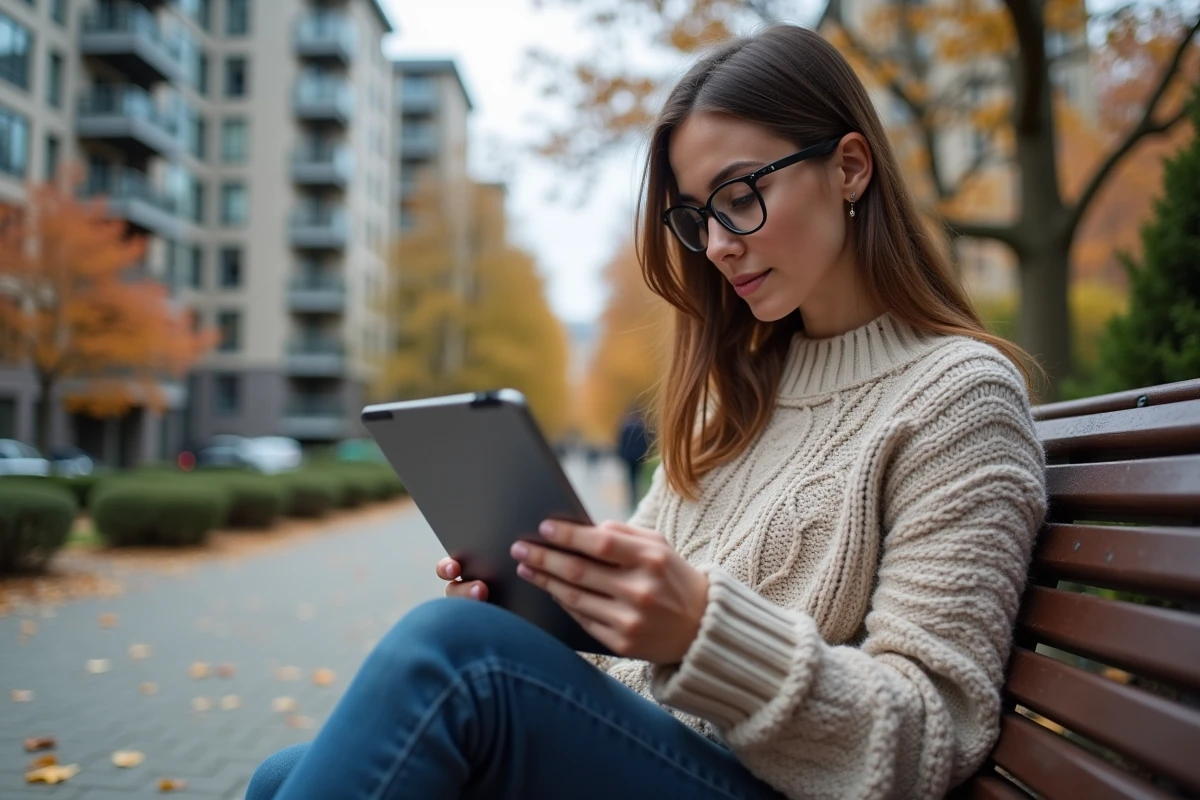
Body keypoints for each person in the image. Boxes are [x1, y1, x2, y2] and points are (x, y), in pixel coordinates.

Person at [247, 24, 1046, 800]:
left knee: (453, 658)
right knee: (286, 771)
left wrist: (703, 631)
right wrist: (547, 618)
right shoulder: (735, 406)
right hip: (665, 756)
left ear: (849, 167)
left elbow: (931, 731)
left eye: (739, 195)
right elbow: (628, 662)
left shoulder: (958, 398)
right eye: (698, 216)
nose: (719, 245)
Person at [616, 406, 651, 511]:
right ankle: (636, 497)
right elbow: (648, 441)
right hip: (639, 456)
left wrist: (621, 455)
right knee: (637, 477)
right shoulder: (643, 427)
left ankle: (632, 498)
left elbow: (621, 443)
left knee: (630, 477)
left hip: (628, 456)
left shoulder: (625, 427)